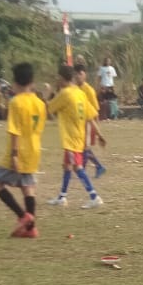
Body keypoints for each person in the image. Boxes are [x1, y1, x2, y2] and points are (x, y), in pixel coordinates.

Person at [0, 62, 47, 238]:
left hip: (18, 151)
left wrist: (14, 155)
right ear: (32, 80)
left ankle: (23, 217)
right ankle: (31, 229)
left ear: (15, 82)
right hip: (34, 150)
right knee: (28, 187)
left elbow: (15, 130)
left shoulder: (16, 102)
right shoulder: (39, 103)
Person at [47, 63, 104, 209]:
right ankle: (62, 197)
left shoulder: (65, 94)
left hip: (70, 138)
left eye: (57, 78)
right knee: (66, 166)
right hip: (79, 136)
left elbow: (49, 109)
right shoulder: (80, 92)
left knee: (77, 167)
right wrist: (100, 135)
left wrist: (49, 93)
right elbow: (90, 116)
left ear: (61, 78)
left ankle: (94, 196)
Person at [73, 63, 107, 177]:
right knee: (83, 147)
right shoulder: (74, 89)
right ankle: (98, 166)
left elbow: (95, 110)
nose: (78, 76)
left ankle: (83, 169)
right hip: (79, 123)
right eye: (76, 74)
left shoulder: (89, 90)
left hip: (89, 123)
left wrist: (96, 129)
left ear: (85, 75)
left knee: (84, 147)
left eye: (80, 74)